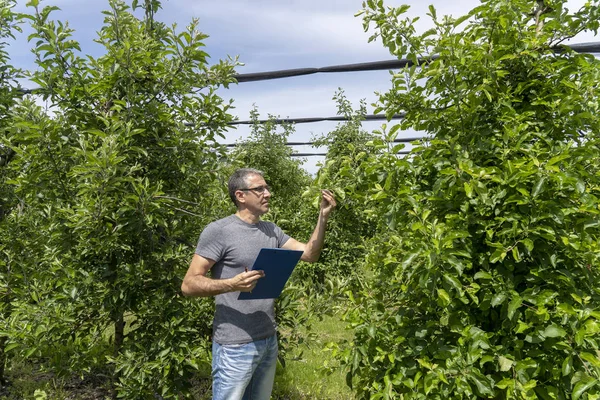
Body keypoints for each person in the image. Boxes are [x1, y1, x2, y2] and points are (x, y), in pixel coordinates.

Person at [181, 168, 336, 400]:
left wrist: (323, 217)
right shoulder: (219, 231)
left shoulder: (271, 230)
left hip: (267, 339)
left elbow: (309, 254)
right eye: (259, 189)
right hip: (234, 344)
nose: (268, 193)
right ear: (240, 196)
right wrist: (231, 284)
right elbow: (188, 284)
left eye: (267, 188)